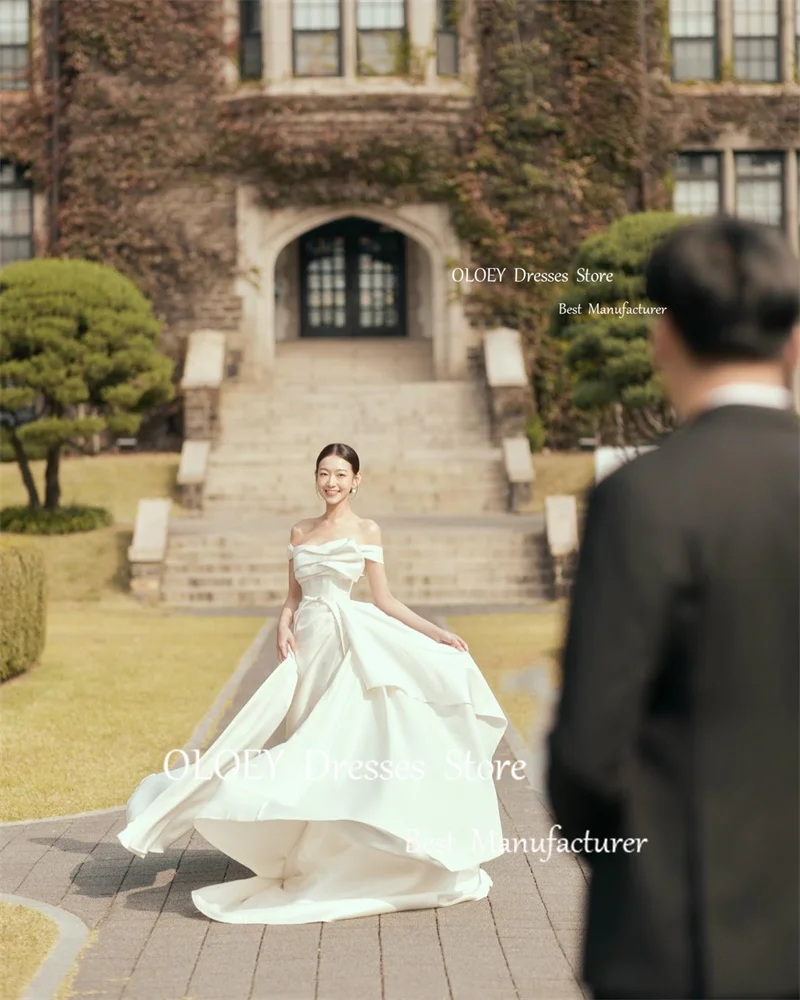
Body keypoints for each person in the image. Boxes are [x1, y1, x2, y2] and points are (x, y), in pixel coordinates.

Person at [546, 216, 800, 1000]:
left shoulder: (644, 499)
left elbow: (589, 753)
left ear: (662, 336)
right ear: (792, 340)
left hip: (685, 931)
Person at [118, 442, 508, 924]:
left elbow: (385, 600)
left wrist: (437, 632)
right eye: (324, 473)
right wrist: (284, 624)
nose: (331, 482)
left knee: (337, 745)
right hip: (307, 648)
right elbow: (291, 597)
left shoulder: (367, 530)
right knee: (304, 744)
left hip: (347, 645)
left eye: (341, 474)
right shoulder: (300, 531)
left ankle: (354, 852)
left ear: (356, 481)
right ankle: (305, 847)